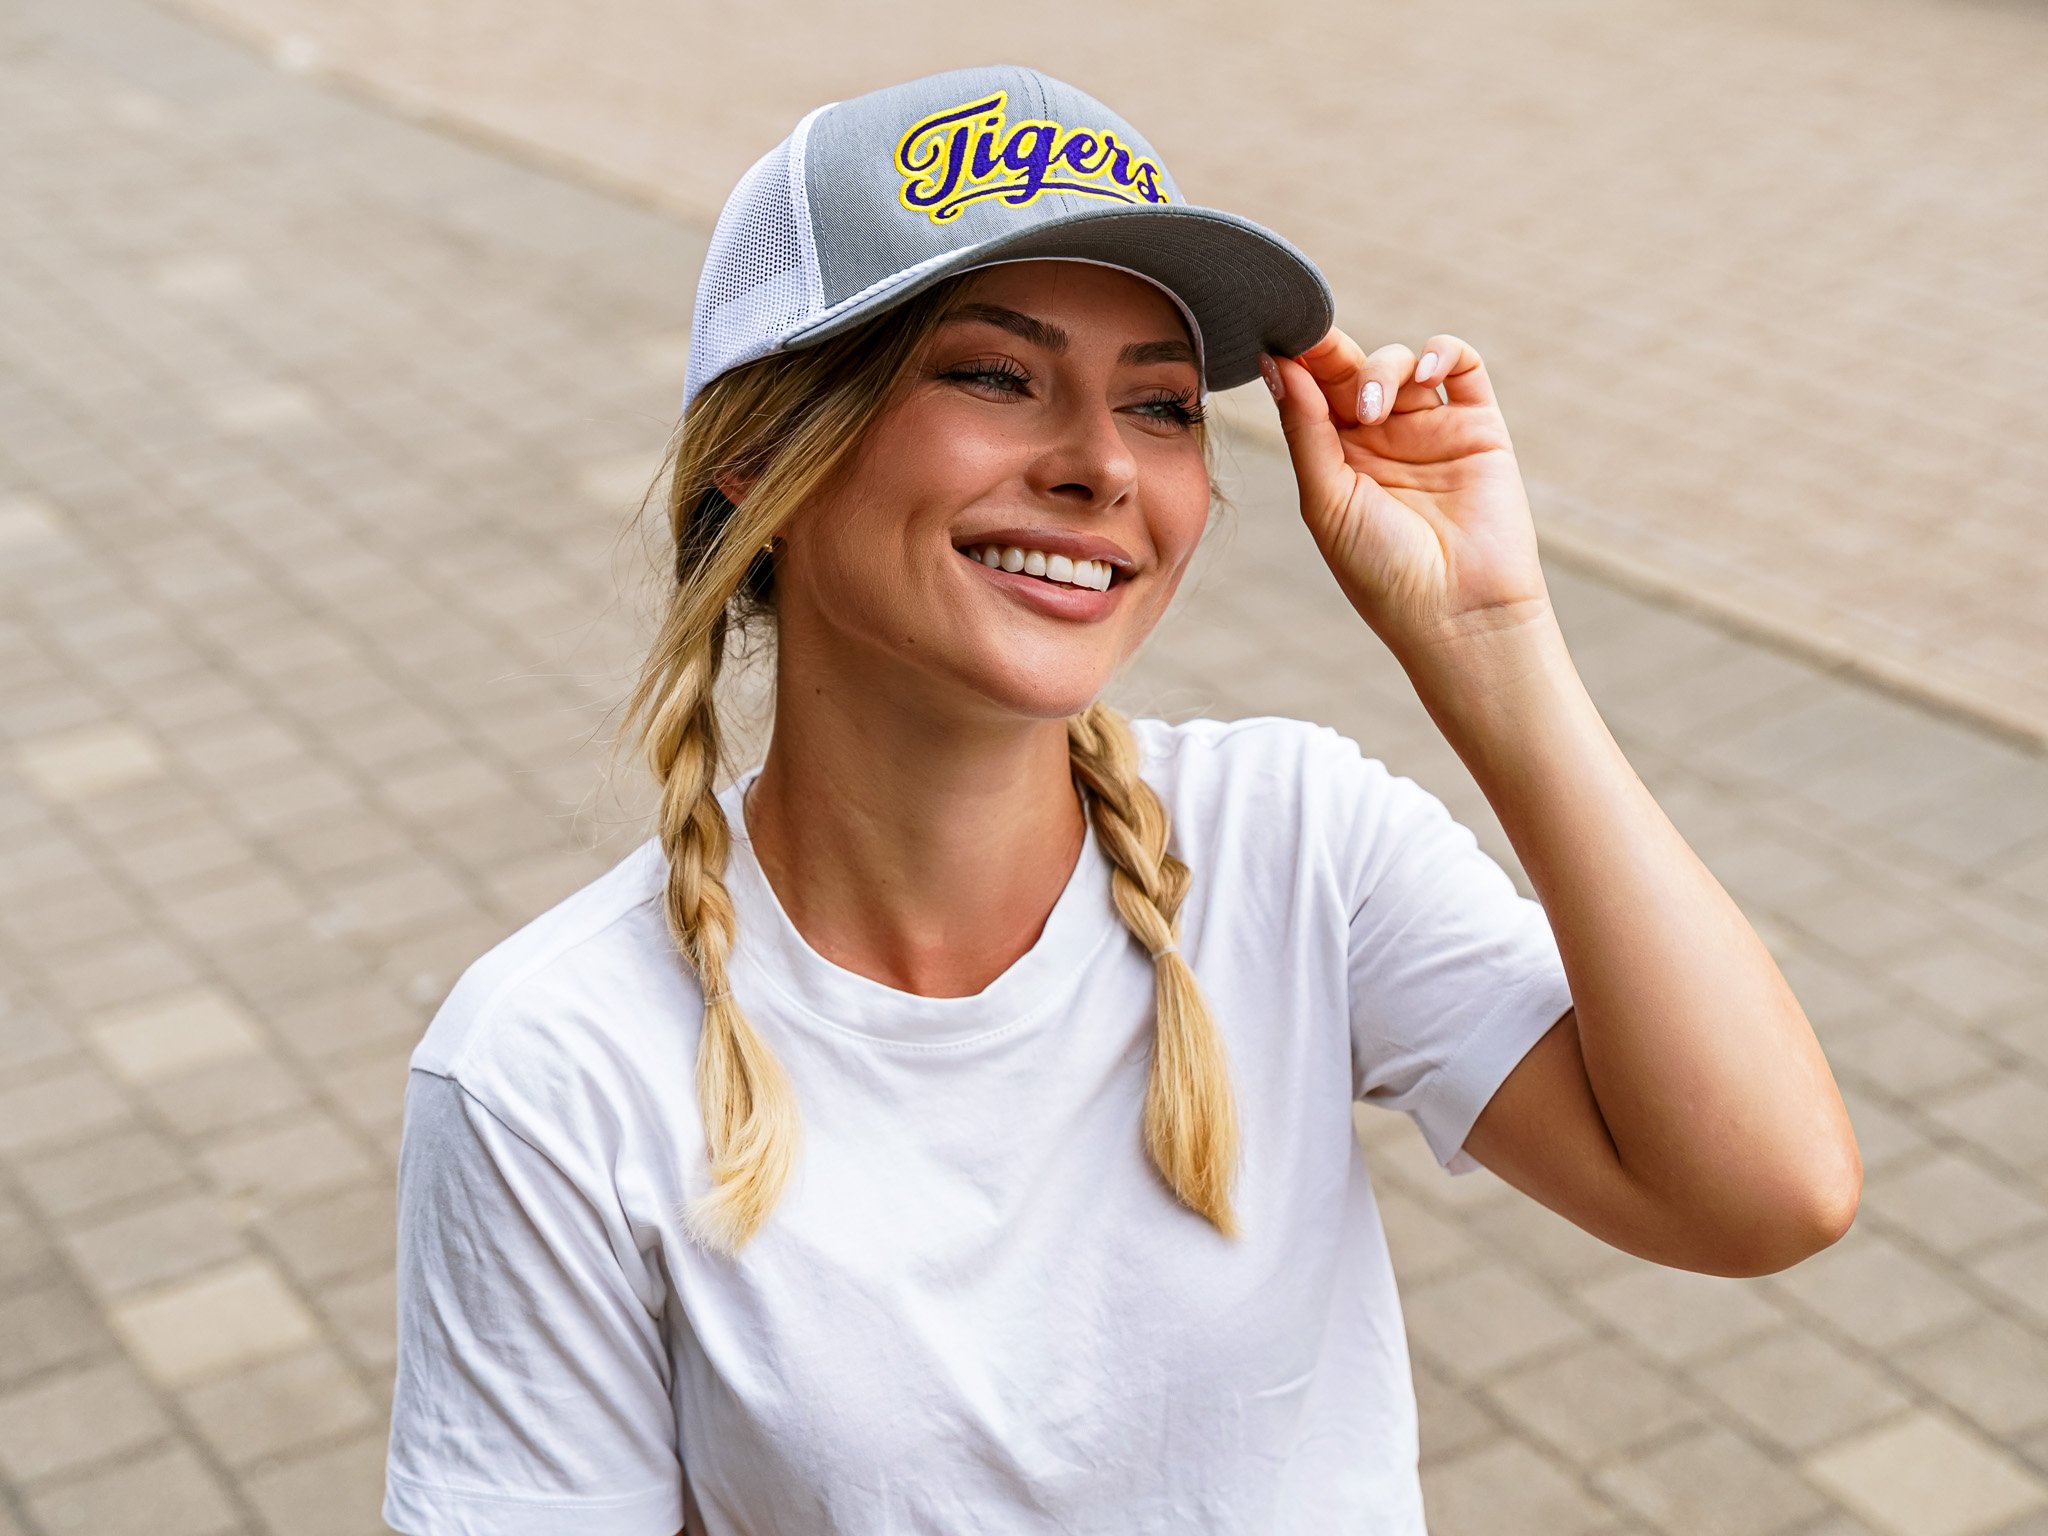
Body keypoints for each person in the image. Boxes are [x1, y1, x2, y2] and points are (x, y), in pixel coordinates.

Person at [381, 63, 1861, 1536]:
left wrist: (1490, 643)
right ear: (759, 455)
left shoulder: (1296, 842)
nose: (1101, 466)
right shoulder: (549, 1071)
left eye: (1160, 406)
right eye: (993, 376)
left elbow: (1762, 1194)